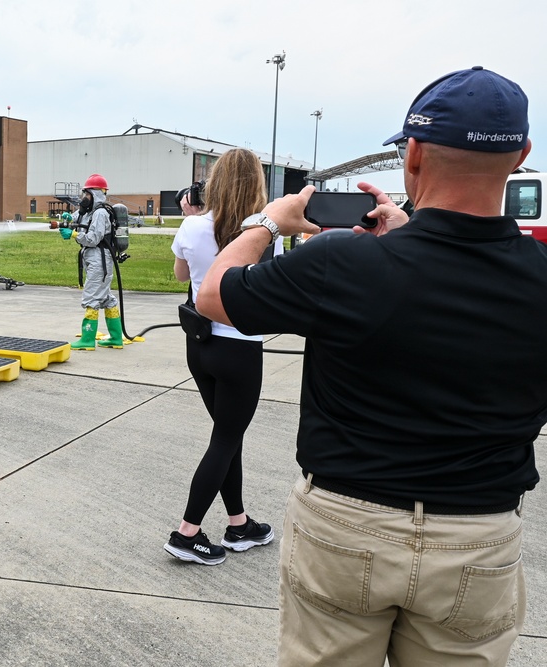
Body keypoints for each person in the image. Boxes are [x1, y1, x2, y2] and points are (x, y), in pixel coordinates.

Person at [196, 66, 539, 665]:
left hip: (346, 525)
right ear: (520, 157)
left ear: (412, 155)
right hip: (478, 535)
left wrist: (266, 222)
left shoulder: (346, 262)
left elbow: (215, 294)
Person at [163, 150, 280, 566]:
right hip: (240, 348)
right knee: (227, 438)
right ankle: (187, 533)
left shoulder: (192, 225)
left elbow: (180, 276)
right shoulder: (262, 231)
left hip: (200, 344)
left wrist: (192, 218)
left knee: (228, 437)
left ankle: (239, 523)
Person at [60, 173, 123, 350]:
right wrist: (69, 218)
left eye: (86, 194)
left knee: (91, 297)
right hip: (94, 258)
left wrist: (74, 235)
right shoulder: (90, 211)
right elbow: (79, 217)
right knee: (106, 298)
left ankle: (87, 339)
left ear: (96, 193)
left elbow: (93, 238)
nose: (84, 198)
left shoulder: (101, 213)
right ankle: (116, 338)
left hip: (100, 258)